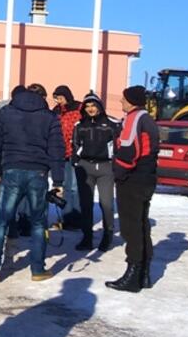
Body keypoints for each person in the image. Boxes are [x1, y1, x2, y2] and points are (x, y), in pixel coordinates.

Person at [0, 83, 65, 283]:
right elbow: (57, 149)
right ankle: (38, 269)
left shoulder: (6, 112)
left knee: (1, 221)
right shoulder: (50, 116)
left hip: (11, 170)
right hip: (39, 173)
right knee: (38, 222)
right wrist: (58, 180)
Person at [106, 85, 160, 293]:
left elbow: (128, 150)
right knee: (142, 224)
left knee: (131, 227)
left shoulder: (134, 118)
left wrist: (118, 172)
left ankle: (133, 274)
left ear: (132, 101)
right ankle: (144, 273)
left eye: (123, 99)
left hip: (133, 179)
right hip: (147, 177)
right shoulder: (148, 119)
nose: (120, 102)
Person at [72, 92, 120, 251]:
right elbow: (75, 145)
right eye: (87, 106)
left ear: (99, 106)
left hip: (106, 167)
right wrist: (76, 160)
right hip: (85, 167)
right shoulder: (79, 125)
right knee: (85, 204)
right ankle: (87, 237)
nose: (90, 109)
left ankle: (107, 235)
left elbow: (119, 145)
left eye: (93, 105)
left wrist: (117, 162)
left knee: (106, 204)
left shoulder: (112, 123)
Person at [52, 85, 84, 231]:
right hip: (60, 152)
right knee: (64, 186)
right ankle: (65, 217)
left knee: (74, 187)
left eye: (61, 98)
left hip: (75, 152)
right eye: (57, 98)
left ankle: (76, 218)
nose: (59, 101)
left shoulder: (78, 109)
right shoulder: (56, 111)